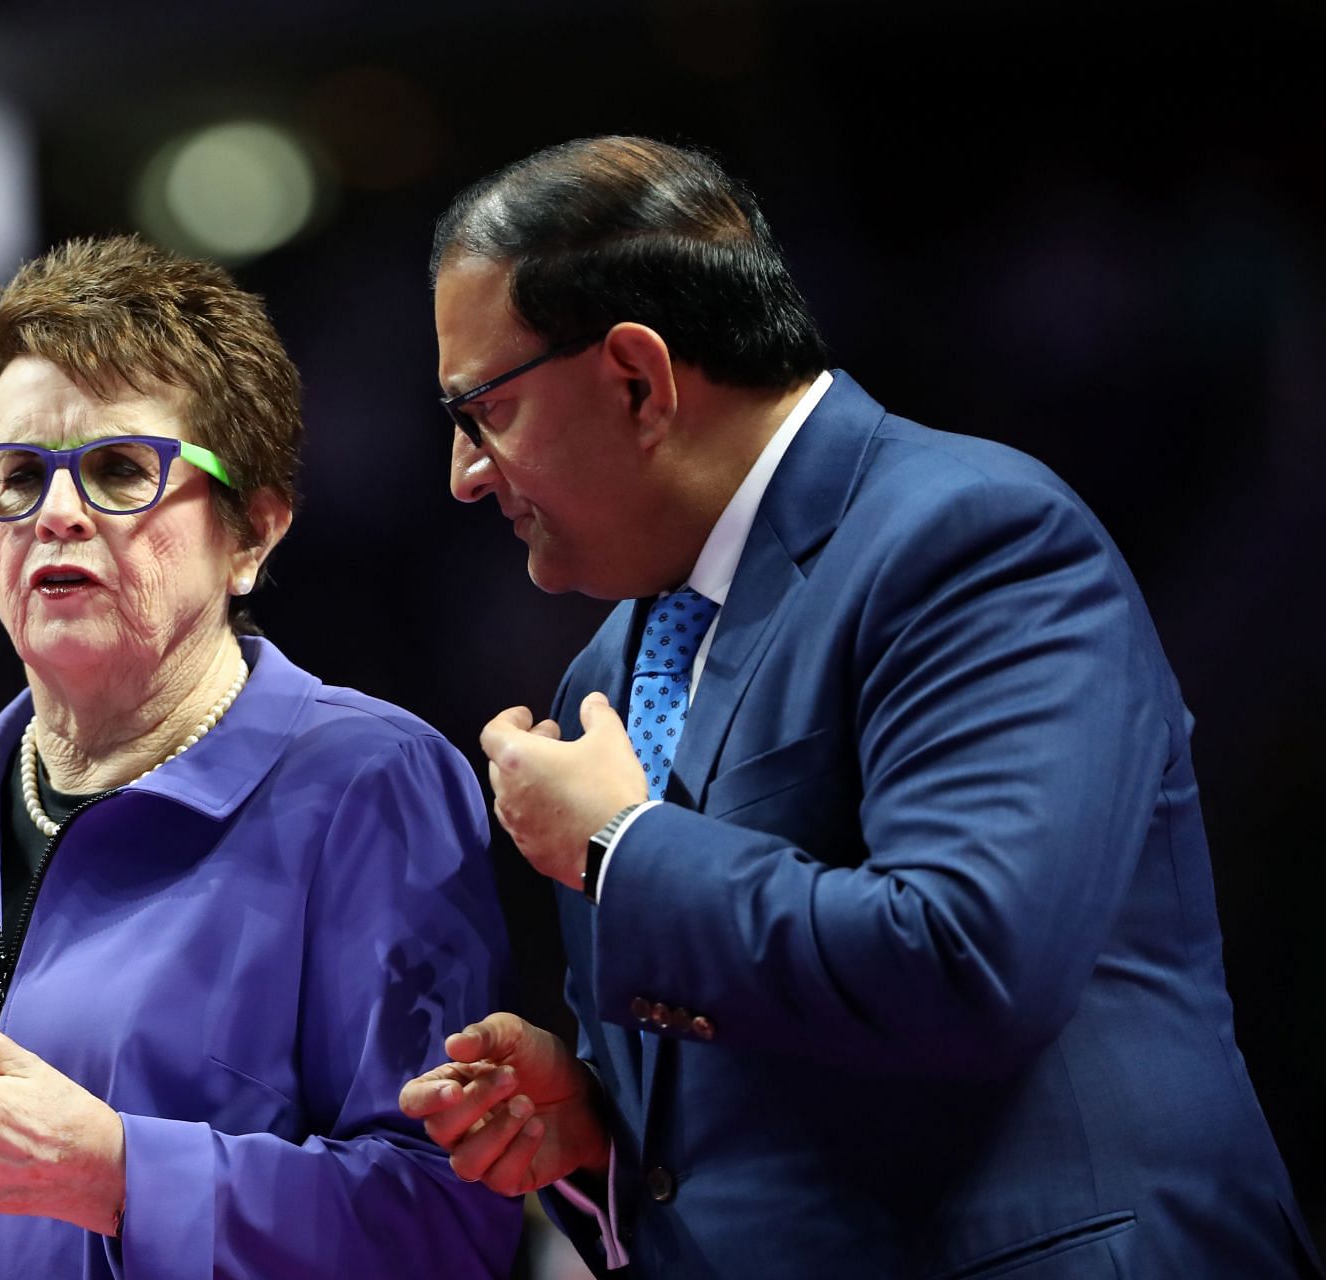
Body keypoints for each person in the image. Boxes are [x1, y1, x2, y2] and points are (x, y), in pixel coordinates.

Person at [399, 136, 1322, 1278]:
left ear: (636, 378)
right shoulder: (603, 669)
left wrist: (615, 843)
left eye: (480, 410)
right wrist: (594, 1126)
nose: (464, 474)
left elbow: (969, 959)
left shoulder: (972, 535)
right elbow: (752, 1059)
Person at [0, 236, 519, 1278]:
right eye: (15, 477)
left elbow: (447, 1221)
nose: (55, 513)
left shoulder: (366, 782)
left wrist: (116, 1172)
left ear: (252, 531)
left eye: (119, 470)